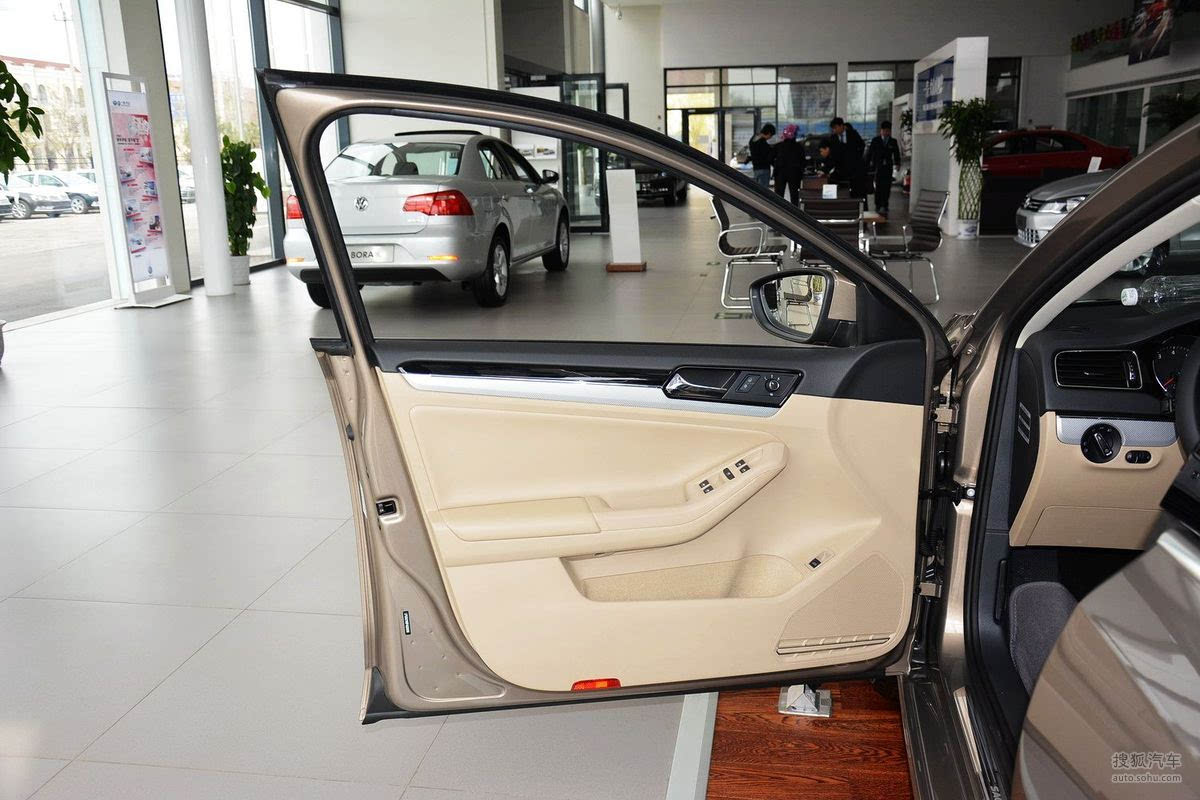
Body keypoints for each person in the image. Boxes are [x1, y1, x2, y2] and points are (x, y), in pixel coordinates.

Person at [864, 120, 903, 217]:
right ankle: (878, 204)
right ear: (881, 130)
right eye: (884, 130)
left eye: (888, 131)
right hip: (878, 167)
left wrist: (897, 163)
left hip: (888, 167)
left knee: (887, 186)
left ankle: (885, 205)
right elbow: (869, 154)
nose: (886, 133)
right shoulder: (875, 140)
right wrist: (866, 165)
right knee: (878, 186)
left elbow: (896, 153)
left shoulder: (893, 141)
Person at [830, 116, 868, 199]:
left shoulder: (853, 134)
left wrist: (856, 157)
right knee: (843, 191)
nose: (834, 130)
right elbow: (833, 154)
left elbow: (861, 145)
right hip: (841, 169)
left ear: (841, 126)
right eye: (833, 129)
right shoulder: (833, 138)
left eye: (835, 128)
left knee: (857, 191)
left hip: (854, 168)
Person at [772, 124, 806, 204]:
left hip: (780, 172)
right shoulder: (799, 147)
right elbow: (803, 161)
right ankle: (794, 211)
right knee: (794, 195)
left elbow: (770, 158)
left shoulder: (778, 146)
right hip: (795, 173)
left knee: (779, 195)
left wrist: (776, 165)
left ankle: (778, 209)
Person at [748, 123, 776, 188]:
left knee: (757, 189)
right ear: (769, 133)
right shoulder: (763, 143)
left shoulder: (753, 139)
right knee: (763, 190)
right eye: (771, 136)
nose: (770, 138)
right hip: (764, 169)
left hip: (756, 169)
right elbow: (768, 157)